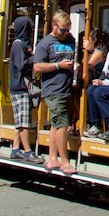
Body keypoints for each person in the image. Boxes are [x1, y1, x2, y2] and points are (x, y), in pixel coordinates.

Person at [32, 10, 76, 173]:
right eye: (62, 30)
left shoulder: (70, 39)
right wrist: (59, 65)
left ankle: (52, 158)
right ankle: (64, 162)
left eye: (67, 30)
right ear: (54, 26)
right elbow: (37, 66)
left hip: (67, 88)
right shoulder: (45, 43)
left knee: (56, 125)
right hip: (53, 89)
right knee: (63, 125)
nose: (65, 33)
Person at [8, 12, 43, 163]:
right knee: (24, 123)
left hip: (17, 87)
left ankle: (16, 149)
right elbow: (22, 64)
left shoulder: (19, 45)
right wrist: (35, 57)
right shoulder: (18, 45)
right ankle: (28, 152)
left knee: (19, 121)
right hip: (20, 88)